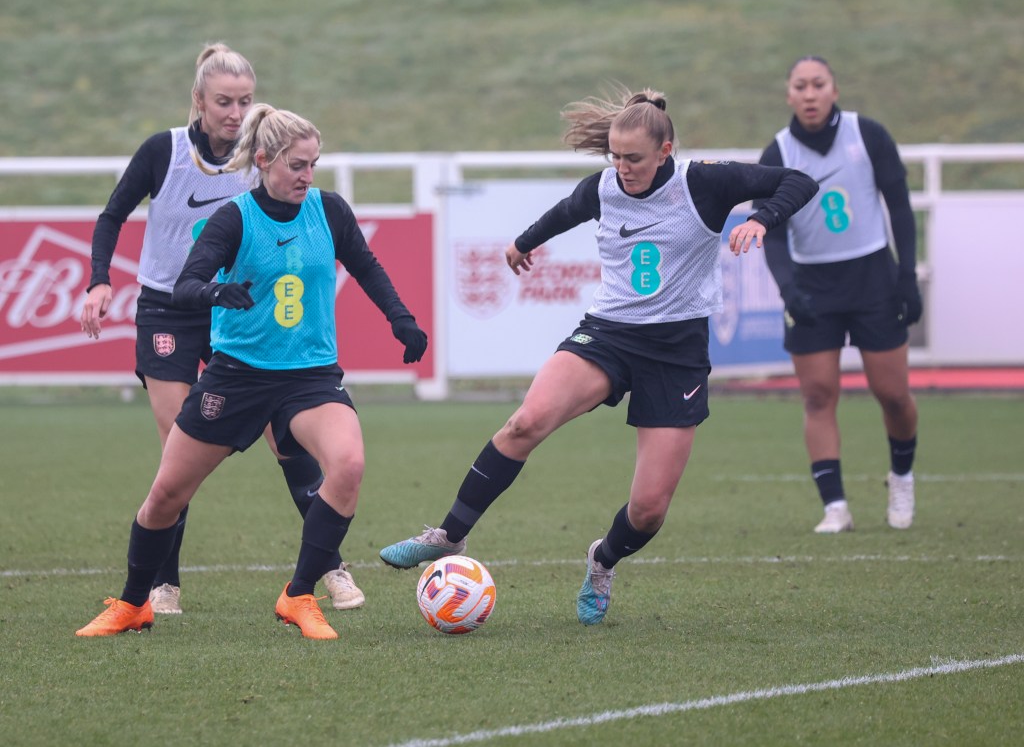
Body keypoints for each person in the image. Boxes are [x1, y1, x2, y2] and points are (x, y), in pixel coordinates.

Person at [379, 87, 818, 625]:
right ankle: (449, 536)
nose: (622, 168)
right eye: (615, 156)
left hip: (677, 352)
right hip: (608, 334)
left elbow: (799, 180)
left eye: (633, 158)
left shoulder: (703, 182)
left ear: (666, 151)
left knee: (649, 511)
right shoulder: (604, 187)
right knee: (524, 423)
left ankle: (602, 560)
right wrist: (523, 243)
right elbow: (567, 211)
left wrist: (762, 219)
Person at [76, 104, 428, 640]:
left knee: (348, 465)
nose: (307, 176)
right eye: (297, 165)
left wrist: (400, 319)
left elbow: (366, 266)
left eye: (313, 165)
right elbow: (186, 285)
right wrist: (216, 291)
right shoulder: (234, 217)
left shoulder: (329, 210)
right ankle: (133, 604)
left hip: (310, 378)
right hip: (236, 378)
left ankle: (299, 595)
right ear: (264, 160)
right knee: (166, 496)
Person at [757, 55, 922, 534]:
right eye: (800, 86)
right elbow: (772, 233)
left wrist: (906, 275)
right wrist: (788, 289)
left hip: (873, 277)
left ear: (834, 89)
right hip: (813, 285)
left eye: (818, 84)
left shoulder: (867, 135)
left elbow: (900, 207)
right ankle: (835, 507)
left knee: (893, 394)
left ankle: (902, 477)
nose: (810, 94)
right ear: (788, 94)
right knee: (818, 395)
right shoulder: (778, 152)